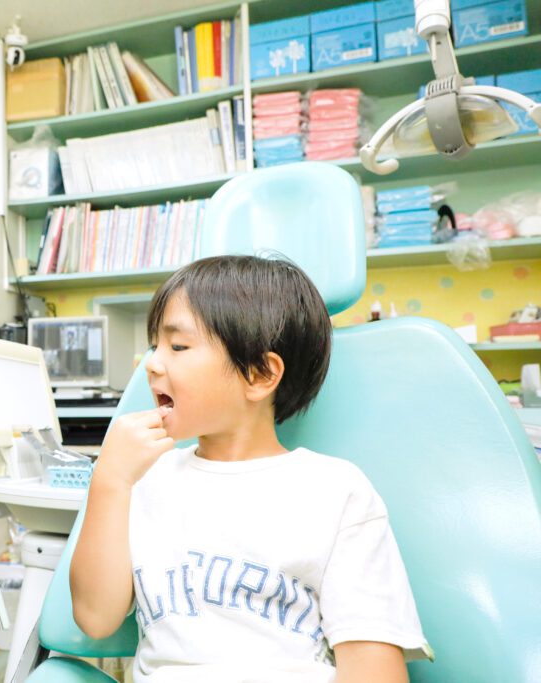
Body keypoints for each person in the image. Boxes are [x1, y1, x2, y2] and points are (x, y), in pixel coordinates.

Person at [70, 255, 432, 683]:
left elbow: (374, 672)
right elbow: (95, 618)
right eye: (154, 346)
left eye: (178, 346)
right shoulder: (142, 479)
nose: (151, 363)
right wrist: (110, 480)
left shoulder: (336, 491)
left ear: (259, 374)